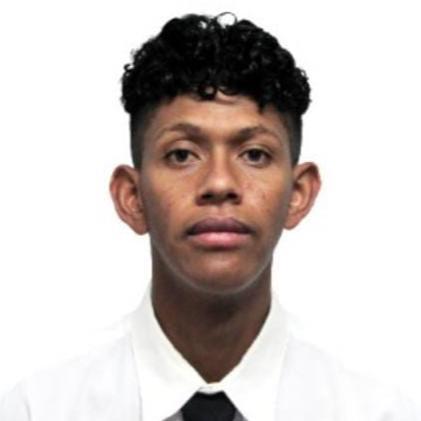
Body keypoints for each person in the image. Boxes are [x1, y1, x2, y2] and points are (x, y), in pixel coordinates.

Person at [0, 12, 418, 421]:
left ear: (298, 194)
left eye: (255, 155)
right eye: (182, 154)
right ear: (132, 197)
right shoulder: (39, 409)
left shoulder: (377, 411)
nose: (219, 183)